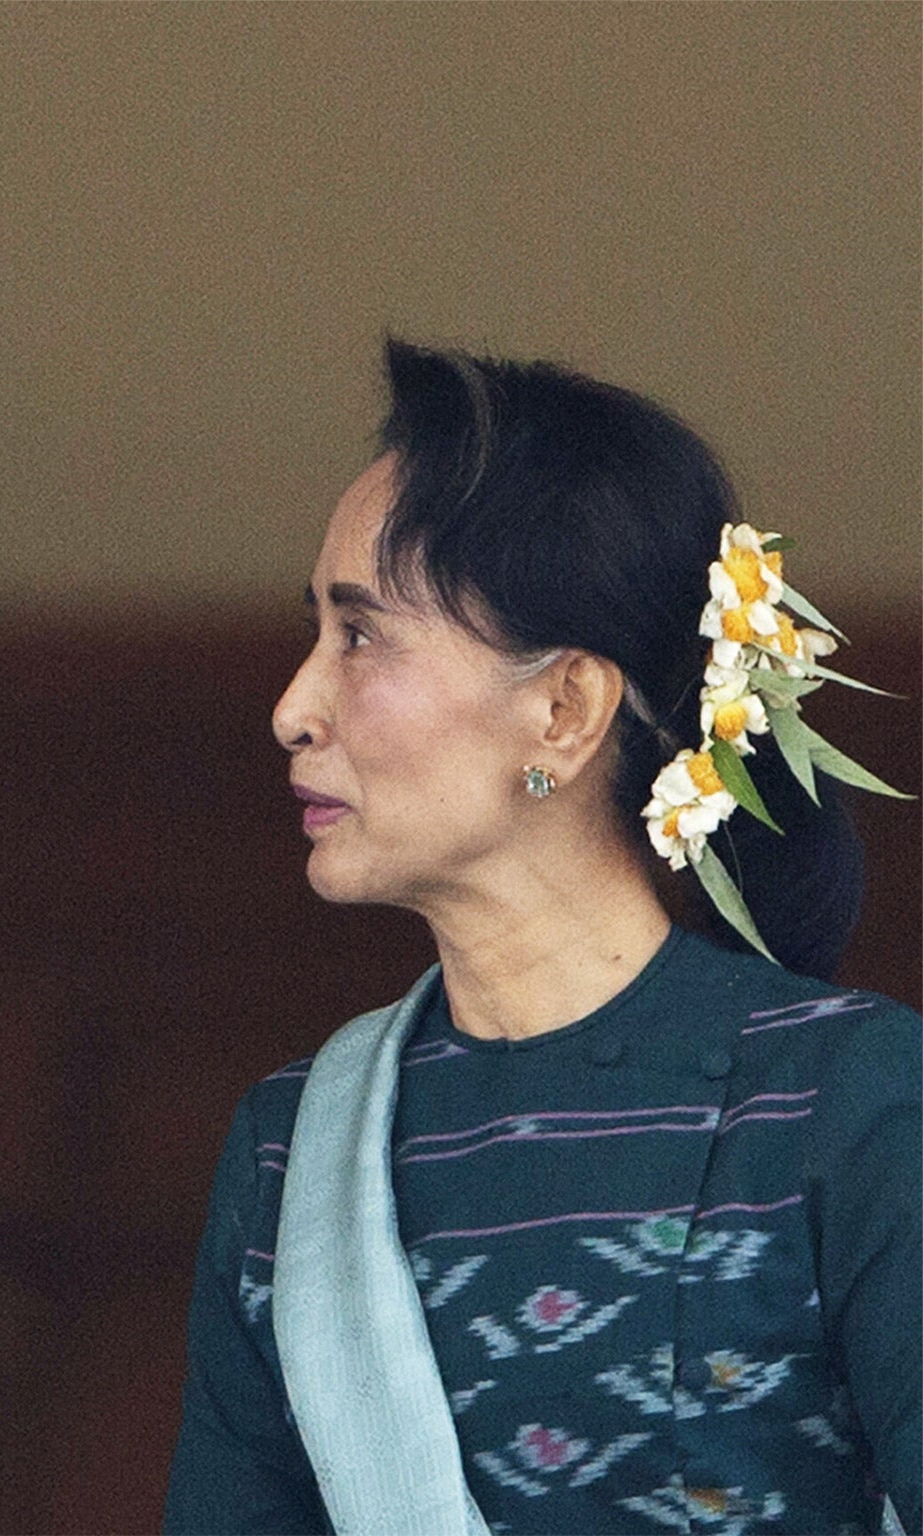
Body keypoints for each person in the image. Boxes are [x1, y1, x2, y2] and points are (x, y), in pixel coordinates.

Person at [164, 340, 918, 1534]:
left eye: (358, 636)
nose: (291, 706)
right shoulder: (292, 1155)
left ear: (562, 708)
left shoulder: (852, 1106)